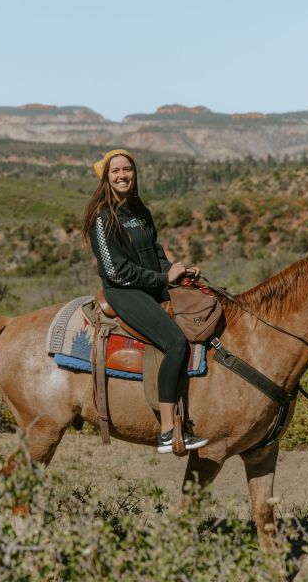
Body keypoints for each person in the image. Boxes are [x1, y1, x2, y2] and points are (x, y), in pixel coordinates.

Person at [81, 148, 208, 453]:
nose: (122, 175)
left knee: (203, 305)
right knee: (175, 343)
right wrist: (164, 279)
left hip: (150, 284)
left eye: (127, 170)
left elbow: (158, 258)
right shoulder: (102, 218)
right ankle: (167, 430)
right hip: (124, 291)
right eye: (116, 172)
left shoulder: (141, 213)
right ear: (106, 178)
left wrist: (179, 273)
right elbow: (116, 271)